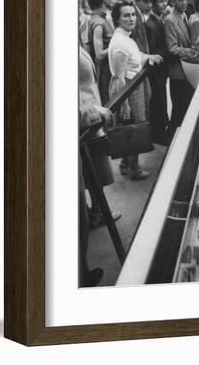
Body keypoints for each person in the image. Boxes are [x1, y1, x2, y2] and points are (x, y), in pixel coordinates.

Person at [79, 44, 119, 286]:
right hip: (84, 125)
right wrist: (92, 113)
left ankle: (94, 212)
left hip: (88, 123)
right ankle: (78, 277)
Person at [108, 1, 163, 180]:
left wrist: (148, 56)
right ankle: (134, 169)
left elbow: (135, 56)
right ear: (117, 19)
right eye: (126, 15)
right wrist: (124, 105)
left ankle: (125, 164)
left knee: (129, 128)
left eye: (133, 15)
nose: (131, 18)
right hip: (128, 90)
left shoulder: (126, 38)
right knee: (134, 128)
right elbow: (118, 78)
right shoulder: (120, 43)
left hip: (134, 87)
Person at [163, 0, 195, 135]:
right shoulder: (170, 20)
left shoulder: (184, 16)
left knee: (184, 107)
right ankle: (172, 139)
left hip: (186, 70)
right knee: (178, 109)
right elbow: (172, 48)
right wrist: (192, 51)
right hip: (178, 72)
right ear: (173, 1)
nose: (184, 2)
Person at [145, 0, 171, 145]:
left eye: (165, 0)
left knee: (161, 100)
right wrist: (169, 51)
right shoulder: (150, 25)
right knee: (158, 101)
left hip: (161, 70)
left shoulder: (159, 21)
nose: (165, 4)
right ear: (152, 4)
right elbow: (153, 50)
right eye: (161, 1)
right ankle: (158, 134)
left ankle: (161, 130)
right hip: (155, 71)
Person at [88, 0, 115, 103]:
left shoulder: (103, 18)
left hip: (110, 69)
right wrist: (117, 45)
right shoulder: (98, 23)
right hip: (105, 73)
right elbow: (99, 55)